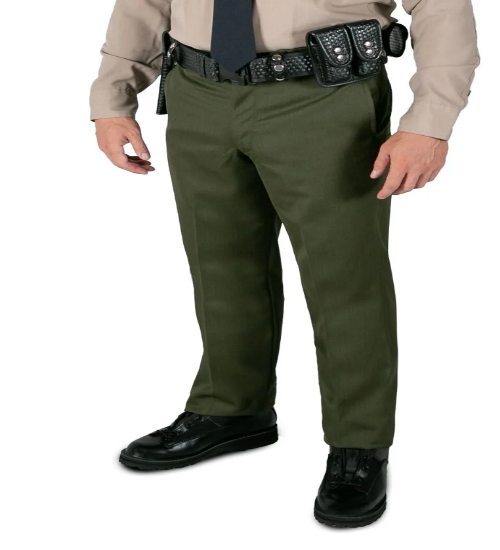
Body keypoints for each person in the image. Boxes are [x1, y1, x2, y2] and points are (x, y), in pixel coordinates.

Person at [90, 0, 479, 528]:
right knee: (220, 264)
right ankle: (232, 407)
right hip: (197, 91)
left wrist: (430, 123)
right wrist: (113, 95)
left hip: (324, 95)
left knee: (343, 278)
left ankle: (359, 444)